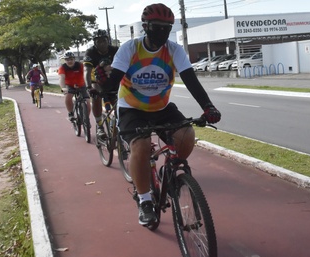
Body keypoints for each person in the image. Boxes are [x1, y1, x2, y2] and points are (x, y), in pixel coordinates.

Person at [95, 3, 221, 226]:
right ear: (146, 26)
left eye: (167, 27)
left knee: (186, 136)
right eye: (157, 26)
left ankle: (171, 172)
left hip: (161, 108)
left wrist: (208, 107)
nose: (162, 31)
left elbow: (191, 80)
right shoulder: (130, 49)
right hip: (132, 108)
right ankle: (144, 201)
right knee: (141, 147)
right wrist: (104, 85)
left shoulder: (174, 50)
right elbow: (113, 81)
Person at [83, 29, 119, 137]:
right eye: (98, 41)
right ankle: (99, 126)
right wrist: (89, 87)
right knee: (96, 97)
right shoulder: (90, 52)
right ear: (95, 43)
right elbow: (87, 71)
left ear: (108, 40)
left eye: (104, 40)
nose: (102, 43)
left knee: (121, 102)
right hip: (96, 80)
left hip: (112, 79)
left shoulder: (116, 50)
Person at [58, 51, 90, 121]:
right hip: (70, 86)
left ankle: (86, 119)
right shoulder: (63, 68)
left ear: (74, 59)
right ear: (65, 60)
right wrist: (63, 88)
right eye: (67, 60)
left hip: (81, 85)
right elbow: (61, 78)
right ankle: (71, 113)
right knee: (68, 97)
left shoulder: (80, 65)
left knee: (87, 101)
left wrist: (88, 85)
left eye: (71, 59)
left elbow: (85, 74)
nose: (69, 61)